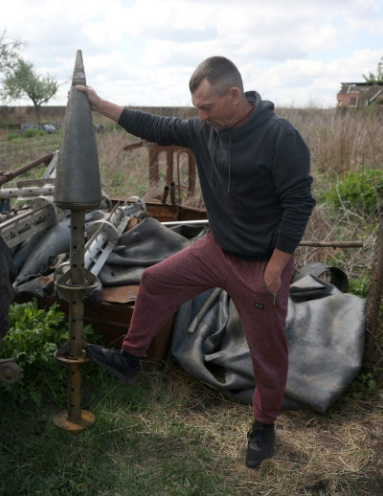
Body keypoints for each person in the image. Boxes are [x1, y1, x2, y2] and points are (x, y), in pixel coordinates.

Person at [80, 56, 315, 469]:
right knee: (155, 280)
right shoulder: (204, 130)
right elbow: (152, 125)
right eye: (197, 109)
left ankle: (264, 425)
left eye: (207, 107)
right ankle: (130, 359)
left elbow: (299, 204)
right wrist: (99, 104)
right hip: (215, 248)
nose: (200, 116)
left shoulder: (280, 137)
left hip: (259, 265)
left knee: (268, 352)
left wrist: (275, 269)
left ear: (234, 95)